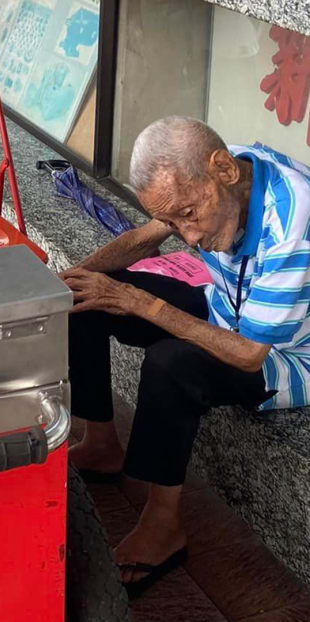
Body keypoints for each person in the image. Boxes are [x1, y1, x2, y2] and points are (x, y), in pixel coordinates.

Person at [61, 116, 310, 595]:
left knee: (171, 365)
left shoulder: (294, 223)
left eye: (189, 216)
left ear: (224, 172)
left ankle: (163, 525)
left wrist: (139, 303)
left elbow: (248, 354)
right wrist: (64, 282)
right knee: (86, 299)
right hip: (231, 310)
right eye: (175, 221)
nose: (188, 238)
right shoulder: (216, 167)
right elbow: (142, 240)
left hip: (286, 356)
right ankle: (101, 443)